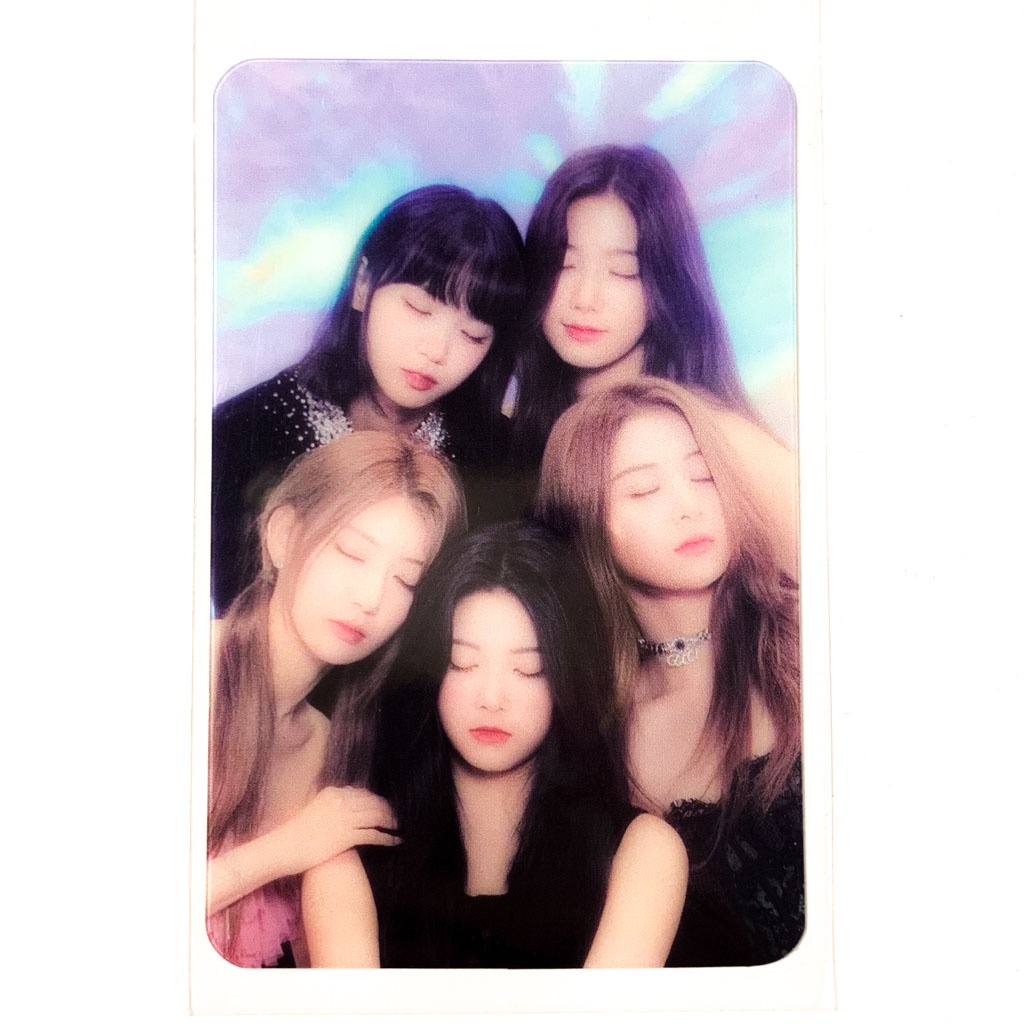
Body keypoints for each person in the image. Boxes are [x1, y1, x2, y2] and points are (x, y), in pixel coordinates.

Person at [302, 521, 687, 968]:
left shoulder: (641, 853)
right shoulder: (347, 853)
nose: (491, 698)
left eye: (528, 670)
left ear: (568, 679)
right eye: (462, 663)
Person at [535, 380, 802, 966]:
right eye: (644, 490)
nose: (688, 505)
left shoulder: (808, 643)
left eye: (703, 476)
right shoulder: (600, 737)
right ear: (588, 523)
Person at [207, 431, 466, 968]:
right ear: (283, 536)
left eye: (404, 580)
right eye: (351, 553)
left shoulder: (321, 743)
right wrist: (288, 848)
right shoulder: (185, 675)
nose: (370, 598)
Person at [212, 184, 525, 615]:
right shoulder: (238, 435)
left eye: (472, 335)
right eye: (418, 309)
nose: (436, 350)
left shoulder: (500, 459)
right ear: (363, 284)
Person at [511, 143, 754, 476]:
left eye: (622, 271)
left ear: (667, 284)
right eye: (565, 264)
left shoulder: (721, 437)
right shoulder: (512, 434)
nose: (585, 298)